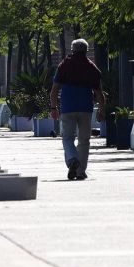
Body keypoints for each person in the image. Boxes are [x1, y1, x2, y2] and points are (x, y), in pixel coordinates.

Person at [50, 39, 105, 180]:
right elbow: (99, 93)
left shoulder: (64, 65)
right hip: (86, 109)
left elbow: (54, 90)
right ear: (86, 51)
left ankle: (72, 159)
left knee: (67, 137)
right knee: (84, 140)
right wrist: (102, 110)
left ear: (72, 50)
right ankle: (80, 172)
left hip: (67, 108)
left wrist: (53, 107)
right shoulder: (91, 67)